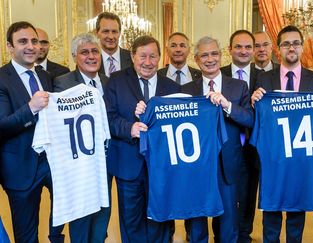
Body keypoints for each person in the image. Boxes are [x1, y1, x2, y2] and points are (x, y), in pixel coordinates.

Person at [251, 25, 313, 243]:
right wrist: (255, 101)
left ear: (303, 47)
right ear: (278, 49)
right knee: (272, 210)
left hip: (301, 156)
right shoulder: (264, 80)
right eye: (286, 43)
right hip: (274, 155)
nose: (291, 47)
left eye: (296, 43)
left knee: (296, 211)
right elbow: (258, 117)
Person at [104, 35, 180, 243]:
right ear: (132, 56)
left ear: (159, 58)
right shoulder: (116, 81)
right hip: (128, 165)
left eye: (153, 56)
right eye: (143, 56)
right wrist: (130, 128)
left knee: (161, 218)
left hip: (163, 166)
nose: (148, 62)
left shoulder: (172, 88)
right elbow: (108, 119)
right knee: (131, 221)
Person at [182, 36, 254, 243]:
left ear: (221, 55)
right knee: (197, 220)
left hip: (228, 163)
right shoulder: (187, 90)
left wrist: (227, 105)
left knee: (228, 221)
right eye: (204, 55)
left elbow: (250, 119)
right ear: (196, 59)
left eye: (214, 53)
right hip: (196, 164)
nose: (210, 59)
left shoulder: (238, 87)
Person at [0, 21, 62, 243]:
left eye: (34, 41)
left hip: (51, 162)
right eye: (22, 41)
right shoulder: (1, 78)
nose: (30, 46)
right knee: (26, 234)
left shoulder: (44, 76)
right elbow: (2, 125)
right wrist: (30, 108)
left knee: (66, 210)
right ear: (9, 46)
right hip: (20, 168)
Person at [52, 33, 109, 243]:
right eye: (85, 52)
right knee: (82, 214)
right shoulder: (62, 83)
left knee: (104, 209)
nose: (91, 56)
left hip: (106, 159)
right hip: (80, 163)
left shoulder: (109, 82)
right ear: (75, 56)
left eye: (95, 51)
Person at [220, 29, 261, 243]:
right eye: (238, 46)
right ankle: (222, 235)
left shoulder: (265, 77)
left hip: (253, 147)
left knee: (247, 194)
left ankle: (244, 233)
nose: (243, 51)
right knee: (224, 195)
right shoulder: (217, 73)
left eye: (248, 47)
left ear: (254, 50)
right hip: (226, 146)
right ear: (230, 49)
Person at [95, 12, 132, 77]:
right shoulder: (91, 60)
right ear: (97, 33)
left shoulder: (132, 58)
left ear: (120, 33)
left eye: (114, 32)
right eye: (106, 31)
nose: (111, 37)